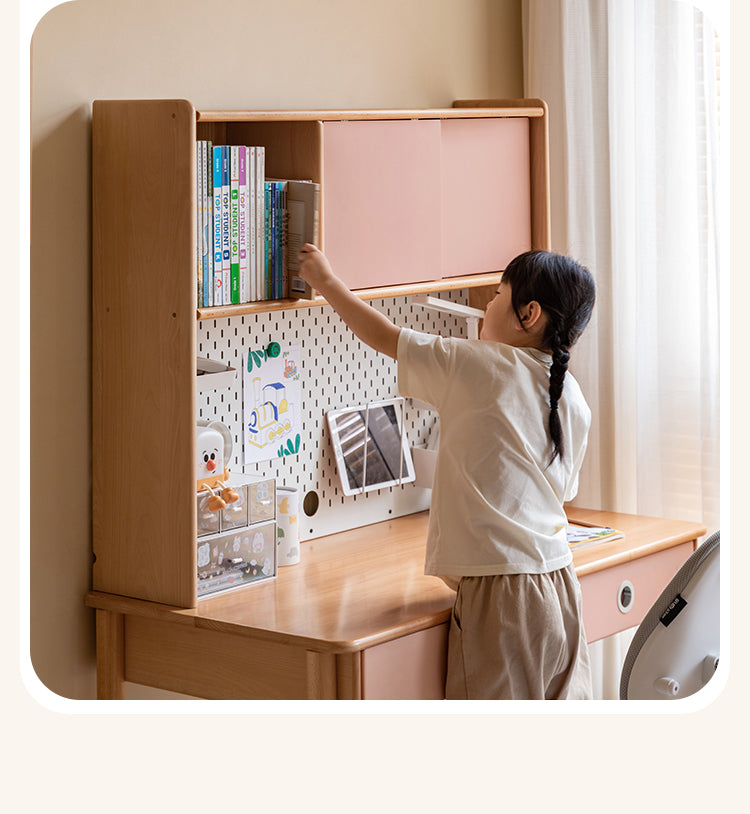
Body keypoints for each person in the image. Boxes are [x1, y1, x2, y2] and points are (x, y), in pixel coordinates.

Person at [298, 244, 596, 700]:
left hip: (502, 596)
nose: (488, 305)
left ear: (528, 313)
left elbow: (384, 336)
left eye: (497, 295)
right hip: (560, 586)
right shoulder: (571, 395)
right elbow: (563, 489)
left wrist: (328, 283)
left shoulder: (477, 365)